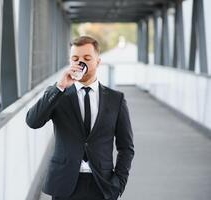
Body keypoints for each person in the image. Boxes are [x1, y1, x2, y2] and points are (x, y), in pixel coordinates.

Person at [26, 36, 134, 200]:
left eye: (87, 58)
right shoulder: (58, 94)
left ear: (98, 61)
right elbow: (33, 121)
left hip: (102, 185)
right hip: (64, 184)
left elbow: (126, 147)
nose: (80, 63)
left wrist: (119, 183)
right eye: (75, 59)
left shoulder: (115, 99)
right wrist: (59, 87)